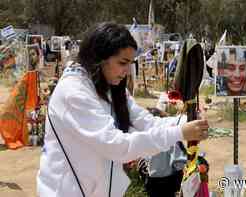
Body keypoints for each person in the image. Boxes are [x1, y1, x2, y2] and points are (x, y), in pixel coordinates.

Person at [36, 22, 209, 197]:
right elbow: (118, 146)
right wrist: (180, 132)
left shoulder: (110, 86)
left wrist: (186, 121)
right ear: (100, 57)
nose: (127, 71)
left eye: (130, 63)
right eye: (122, 63)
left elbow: (147, 122)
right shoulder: (73, 93)